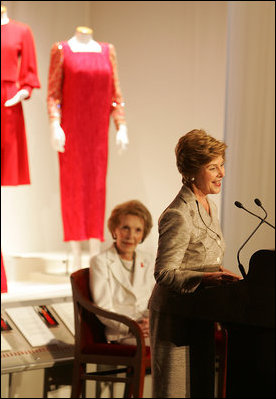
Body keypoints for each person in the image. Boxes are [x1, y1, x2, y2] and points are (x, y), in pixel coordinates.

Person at [148, 129, 241, 398]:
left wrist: (222, 274)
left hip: (201, 312)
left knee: (199, 389)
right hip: (174, 316)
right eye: (213, 167)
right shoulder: (178, 213)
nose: (222, 173)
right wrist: (206, 279)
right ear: (191, 171)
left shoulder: (208, 205)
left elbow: (204, 260)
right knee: (175, 392)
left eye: (222, 165)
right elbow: (164, 273)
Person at [47, 26, 129, 269]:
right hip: (72, 130)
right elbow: (53, 94)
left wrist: (121, 125)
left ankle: (94, 248)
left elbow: (116, 94)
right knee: (72, 186)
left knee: (96, 186)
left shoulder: (107, 51)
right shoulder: (62, 50)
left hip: (97, 133)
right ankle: (74, 250)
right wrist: (54, 123)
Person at [89, 199, 155, 346]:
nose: (130, 235)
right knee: (168, 349)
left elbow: (155, 301)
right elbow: (103, 307)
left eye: (138, 230)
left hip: (149, 329)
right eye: (125, 228)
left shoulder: (149, 260)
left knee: (181, 343)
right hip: (121, 333)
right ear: (114, 230)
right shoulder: (100, 261)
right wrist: (132, 327)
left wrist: (151, 323)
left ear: (143, 234)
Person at [1, 4, 40, 186]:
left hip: (8, 98)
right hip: (9, 97)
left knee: (7, 158)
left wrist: (22, 93)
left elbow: (29, 72)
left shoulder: (21, 31)